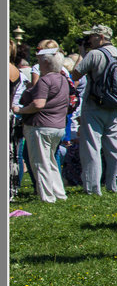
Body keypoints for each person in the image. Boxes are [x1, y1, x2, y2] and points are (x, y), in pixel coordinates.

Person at [71, 24, 117, 195]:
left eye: (92, 37)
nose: (89, 40)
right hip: (115, 105)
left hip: (94, 105)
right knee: (116, 147)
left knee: (91, 147)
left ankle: (92, 187)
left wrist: (82, 54)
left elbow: (75, 74)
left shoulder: (94, 54)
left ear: (101, 37)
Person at [15, 48, 71, 203]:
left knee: (40, 162)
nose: (37, 62)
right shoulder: (63, 79)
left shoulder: (45, 80)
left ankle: (47, 197)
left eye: (39, 59)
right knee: (51, 161)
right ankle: (59, 193)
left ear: (46, 62)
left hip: (40, 126)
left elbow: (38, 104)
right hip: (58, 126)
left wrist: (20, 110)